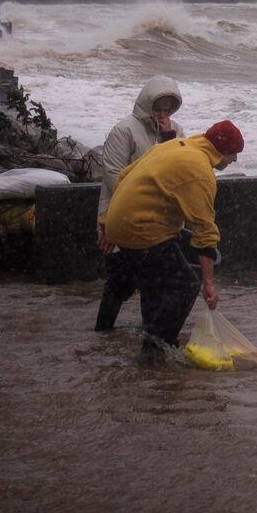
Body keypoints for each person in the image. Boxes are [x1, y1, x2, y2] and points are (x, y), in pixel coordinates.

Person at [103, 120, 243, 357]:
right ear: (223, 151)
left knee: (153, 285)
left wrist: (107, 225)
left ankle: (150, 344)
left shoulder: (174, 146)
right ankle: (157, 347)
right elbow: (204, 231)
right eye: (234, 155)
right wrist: (208, 283)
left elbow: (124, 176)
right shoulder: (199, 170)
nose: (235, 161)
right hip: (142, 230)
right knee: (185, 284)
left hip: (121, 224)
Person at [93, 77, 185, 330]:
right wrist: (108, 225)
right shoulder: (124, 130)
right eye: (158, 109)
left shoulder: (175, 131)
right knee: (119, 281)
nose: (162, 115)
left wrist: (169, 140)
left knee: (152, 281)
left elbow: (179, 168)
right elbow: (114, 177)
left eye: (168, 110)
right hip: (119, 215)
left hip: (155, 222)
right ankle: (104, 329)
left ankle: (151, 333)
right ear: (146, 104)